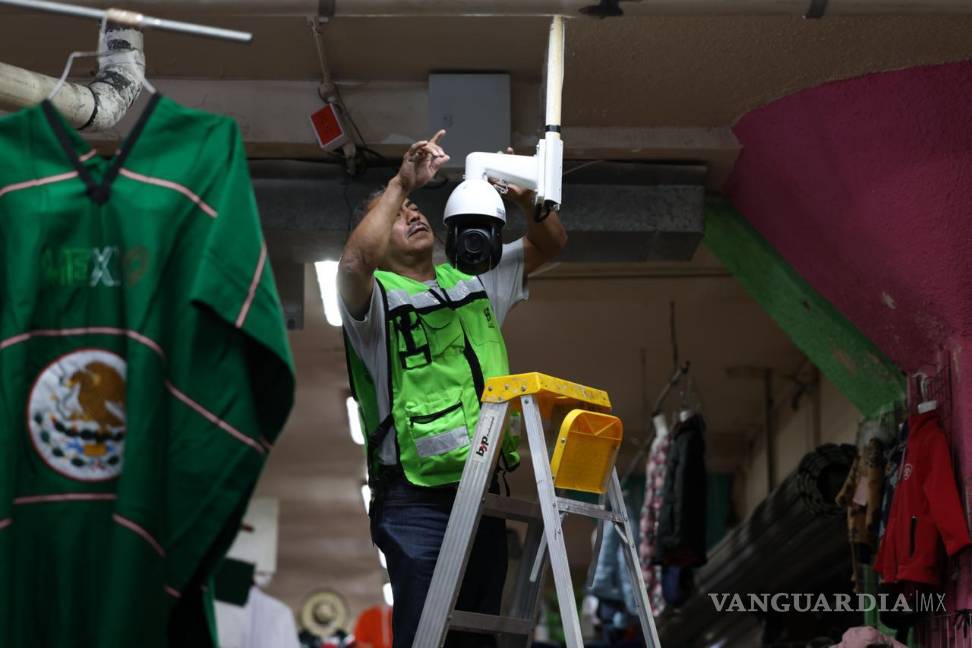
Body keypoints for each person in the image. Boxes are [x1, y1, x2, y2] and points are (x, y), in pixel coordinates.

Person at [337, 130, 567, 648]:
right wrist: (400, 182)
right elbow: (354, 263)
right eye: (398, 215)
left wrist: (527, 195)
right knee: (427, 635)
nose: (413, 215)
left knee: (474, 635)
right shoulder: (371, 305)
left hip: (480, 491)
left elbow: (551, 243)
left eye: (416, 208)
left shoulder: (474, 279)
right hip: (412, 500)